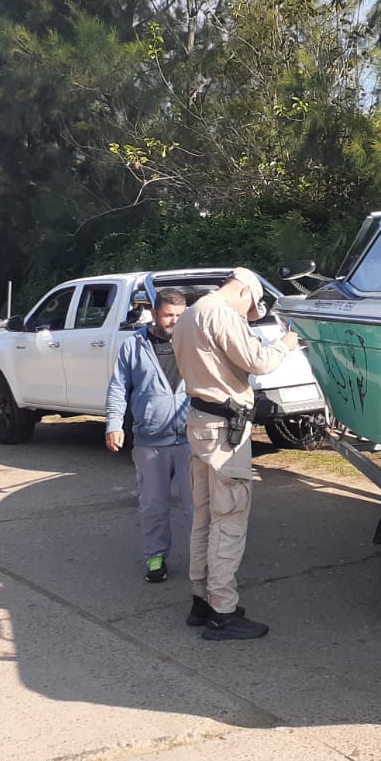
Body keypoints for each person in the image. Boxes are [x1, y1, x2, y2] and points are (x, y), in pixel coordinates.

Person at [171, 268, 300, 640]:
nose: (248, 314)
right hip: (225, 433)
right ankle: (223, 612)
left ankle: (201, 600)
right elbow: (258, 362)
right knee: (229, 520)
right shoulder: (221, 314)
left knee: (204, 518)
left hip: (200, 424)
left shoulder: (190, 314)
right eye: (250, 307)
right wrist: (286, 344)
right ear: (244, 291)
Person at [104, 289, 192, 584]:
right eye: (168, 315)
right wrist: (114, 424)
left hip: (190, 439)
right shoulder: (134, 346)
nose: (174, 321)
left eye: (180, 316)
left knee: (197, 506)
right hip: (150, 440)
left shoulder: (193, 343)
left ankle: (203, 559)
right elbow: (118, 387)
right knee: (153, 505)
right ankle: (155, 556)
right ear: (154, 314)